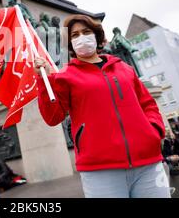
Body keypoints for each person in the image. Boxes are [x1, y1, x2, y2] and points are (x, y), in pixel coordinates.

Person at [34, 14, 170, 198]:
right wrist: (44, 80)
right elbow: (53, 117)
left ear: (96, 36)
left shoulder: (124, 68)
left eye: (86, 31)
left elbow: (147, 103)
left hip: (148, 163)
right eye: (74, 35)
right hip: (100, 171)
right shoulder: (65, 76)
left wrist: (154, 130)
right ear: (70, 43)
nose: (81, 37)